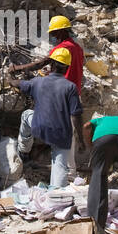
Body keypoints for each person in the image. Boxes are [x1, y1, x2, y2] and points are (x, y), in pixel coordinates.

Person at [10, 47, 87, 189]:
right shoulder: (70, 87)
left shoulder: (38, 82)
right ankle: (55, 190)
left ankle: (23, 151)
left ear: (51, 65)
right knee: (59, 174)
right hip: (60, 135)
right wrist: (81, 141)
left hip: (38, 128)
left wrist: (11, 78)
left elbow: (19, 84)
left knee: (26, 115)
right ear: (67, 68)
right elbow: (76, 115)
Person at [9, 15, 84, 94]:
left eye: (53, 33)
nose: (53, 36)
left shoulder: (62, 48)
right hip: (74, 92)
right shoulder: (77, 47)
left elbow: (40, 64)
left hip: (61, 93)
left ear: (60, 31)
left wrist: (17, 68)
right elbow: (71, 68)